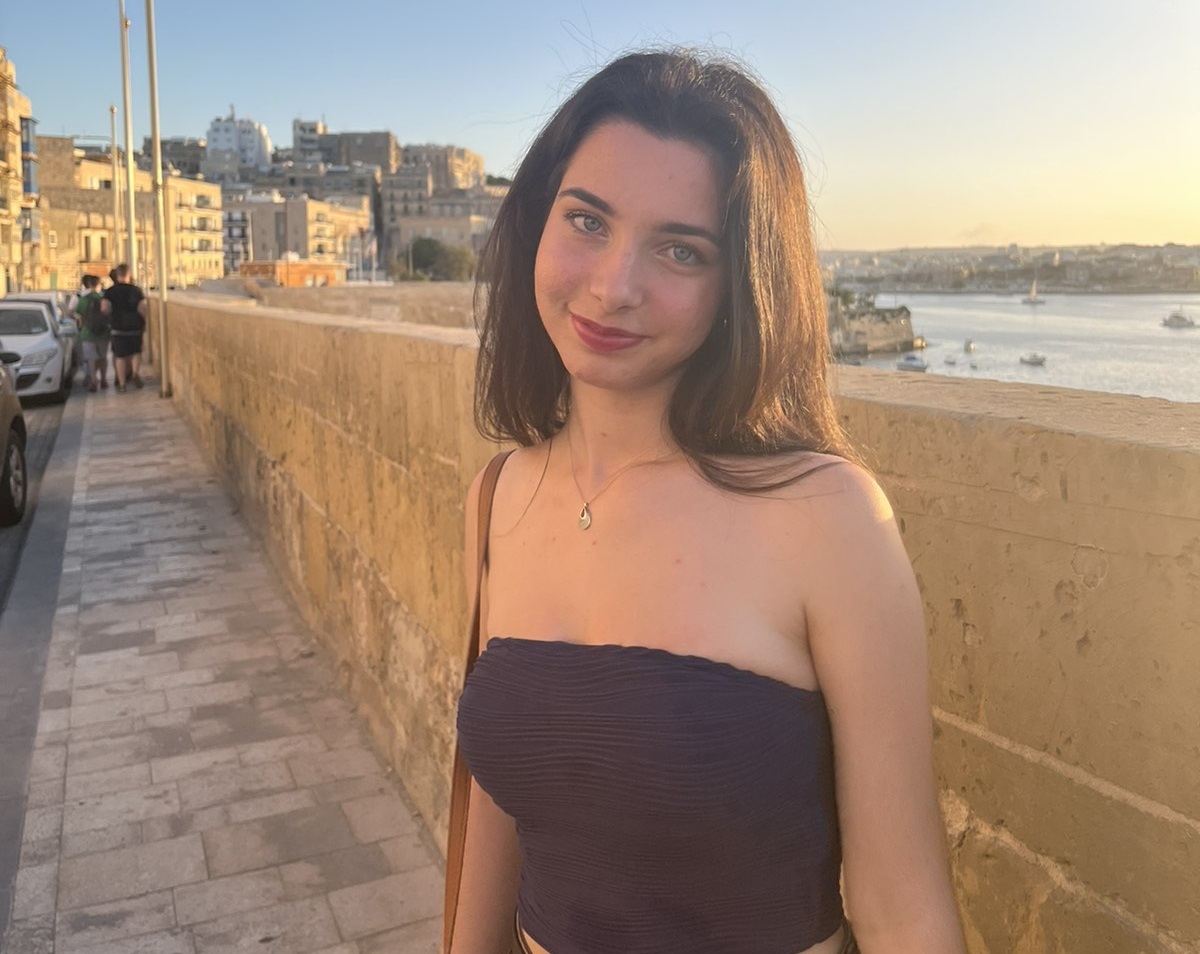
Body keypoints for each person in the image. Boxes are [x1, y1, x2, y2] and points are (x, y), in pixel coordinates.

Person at [450, 50, 967, 954]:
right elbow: (501, 817)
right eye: (587, 221)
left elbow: (903, 909)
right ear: (537, 220)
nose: (614, 286)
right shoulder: (497, 498)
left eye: (680, 250)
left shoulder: (827, 518)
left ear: (741, 286)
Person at [101, 263, 147, 392]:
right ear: (128, 274)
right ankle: (135, 373)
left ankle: (122, 384)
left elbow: (104, 308)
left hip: (117, 327)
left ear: (117, 275)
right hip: (134, 327)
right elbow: (142, 308)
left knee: (120, 356)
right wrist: (144, 321)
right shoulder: (136, 290)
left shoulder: (110, 291)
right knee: (136, 352)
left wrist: (110, 315)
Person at [73, 274, 110, 392]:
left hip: (87, 333)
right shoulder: (103, 299)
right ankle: (103, 380)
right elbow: (108, 314)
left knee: (91, 359)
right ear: (98, 285)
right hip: (103, 333)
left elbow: (78, 316)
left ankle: (93, 380)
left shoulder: (83, 300)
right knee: (103, 357)